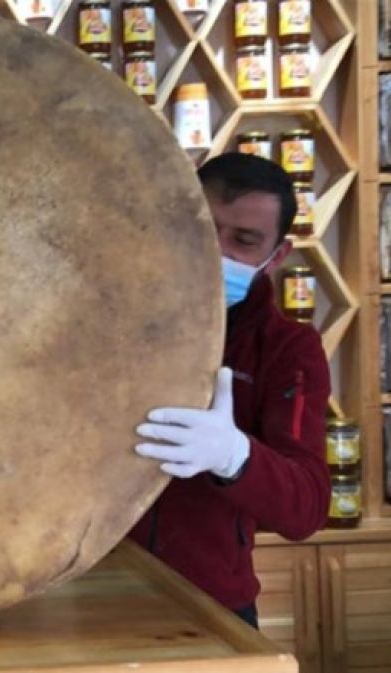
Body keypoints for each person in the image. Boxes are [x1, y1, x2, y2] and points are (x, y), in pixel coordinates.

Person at [130, 153, 331, 629]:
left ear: (276, 256)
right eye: (203, 230)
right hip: (88, 591)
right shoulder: (112, 319)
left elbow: (306, 507)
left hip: (211, 601)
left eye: (243, 241)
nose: (214, 252)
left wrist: (236, 457)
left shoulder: (288, 349)